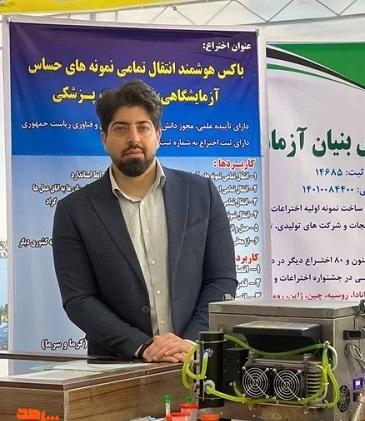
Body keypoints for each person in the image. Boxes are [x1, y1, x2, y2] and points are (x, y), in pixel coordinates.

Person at [52, 80, 237, 363]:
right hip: (117, 368)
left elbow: (221, 279)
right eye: (121, 128)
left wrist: (189, 341)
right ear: (104, 138)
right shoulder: (74, 210)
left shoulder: (202, 194)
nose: (133, 138)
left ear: (158, 135)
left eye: (143, 127)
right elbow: (78, 299)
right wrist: (143, 346)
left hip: (195, 361)